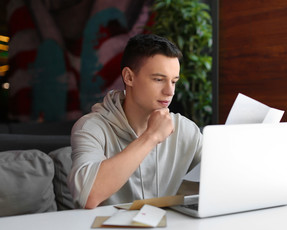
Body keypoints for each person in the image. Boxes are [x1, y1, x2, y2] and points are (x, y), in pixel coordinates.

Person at [68, 34, 203, 209]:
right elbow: (88, 196)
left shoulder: (186, 129)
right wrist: (151, 137)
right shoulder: (90, 128)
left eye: (174, 81)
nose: (170, 91)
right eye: (159, 79)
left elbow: (222, 179)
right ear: (129, 77)